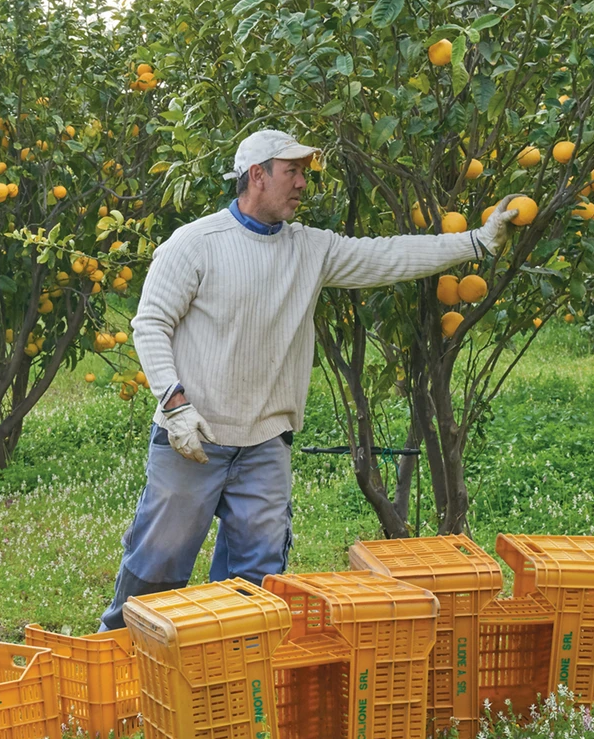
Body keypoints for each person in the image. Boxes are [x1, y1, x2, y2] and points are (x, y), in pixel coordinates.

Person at [99, 129, 519, 630]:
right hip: (193, 436)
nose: (303, 183)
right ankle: (115, 653)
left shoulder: (310, 250)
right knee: (157, 568)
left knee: (257, 579)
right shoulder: (196, 244)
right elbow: (150, 324)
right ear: (258, 175)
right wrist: (174, 404)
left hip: (264, 445)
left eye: (305, 172)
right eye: (292, 171)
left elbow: (390, 256)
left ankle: (230, 672)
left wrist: (476, 240)